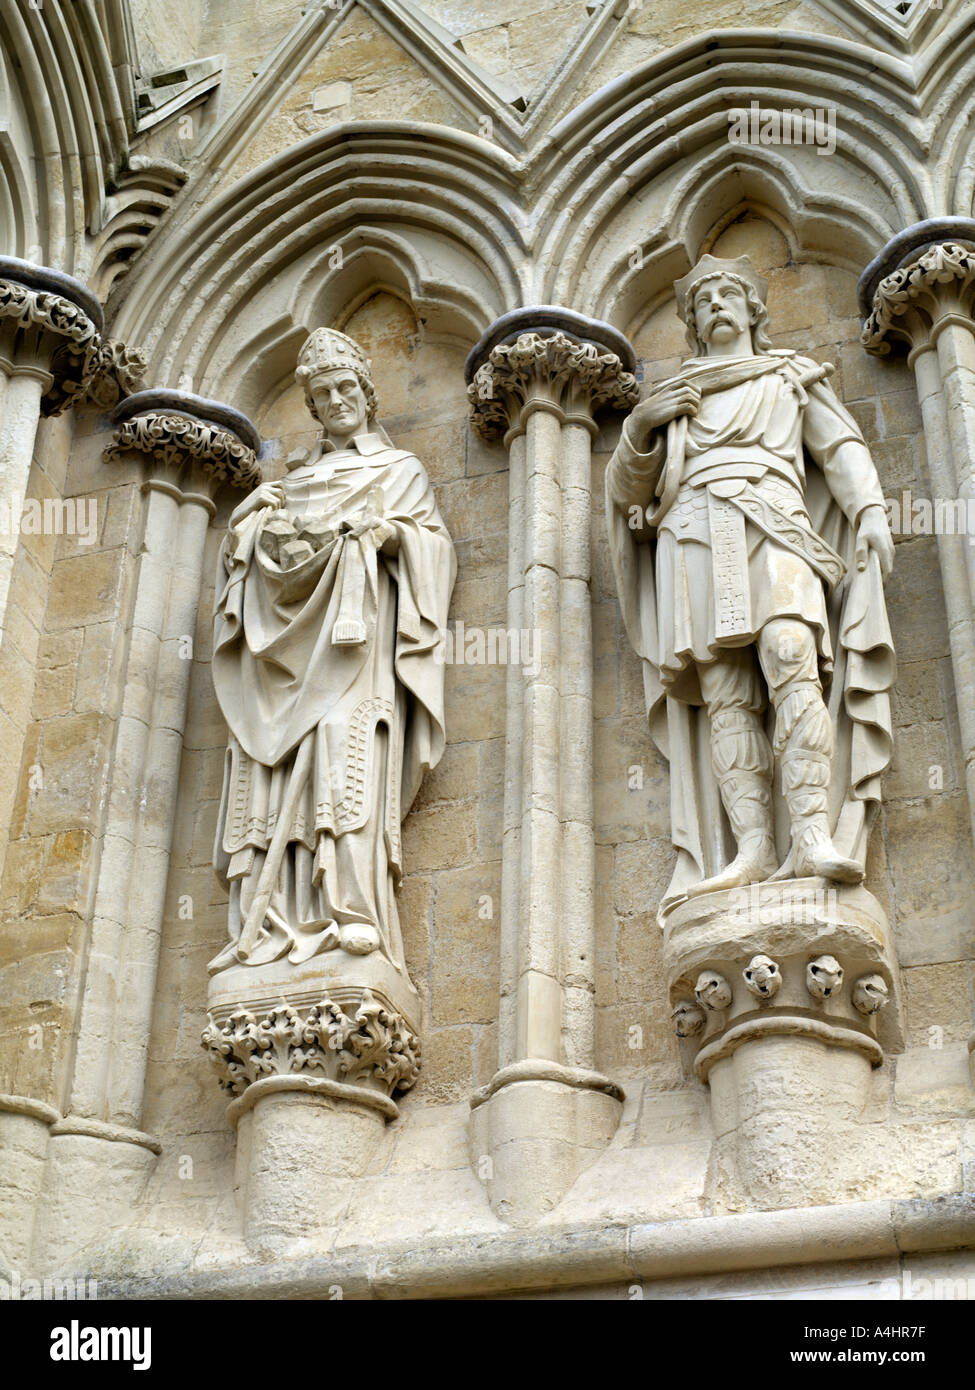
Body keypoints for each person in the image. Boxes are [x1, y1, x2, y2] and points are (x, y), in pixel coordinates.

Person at [605, 254, 895, 905]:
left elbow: (838, 447)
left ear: (751, 308)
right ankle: (753, 848)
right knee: (725, 690)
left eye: (726, 293)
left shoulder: (788, 376)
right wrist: (643, 424)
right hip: (693, 531)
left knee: (791, 657)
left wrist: (870, 511)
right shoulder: (675, 397)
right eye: (702, 299)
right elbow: (628, 494)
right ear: (690, 322)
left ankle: (812, 834)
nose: (714, 305)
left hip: (773, 521)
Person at [210, 328, 455, 971]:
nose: (338, 399)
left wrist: (391, 536)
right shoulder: (290, 485)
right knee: (266, 770)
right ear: (312, 409)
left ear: (367, 396)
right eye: (323, 393)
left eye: (347, 387)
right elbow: (251, 573)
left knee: (346, 755)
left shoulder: (398, 471)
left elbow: (434, 550)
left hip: (356, 645)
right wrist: (247, 525)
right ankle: (268, 922)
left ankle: (351, 907)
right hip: (282, 654)